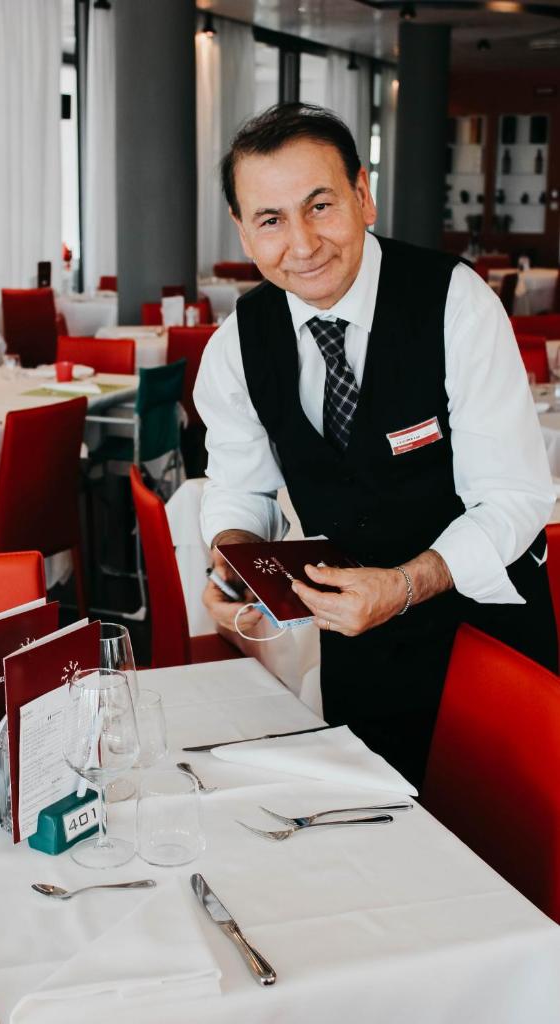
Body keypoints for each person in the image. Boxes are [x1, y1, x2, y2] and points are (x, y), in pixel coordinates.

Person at [193, 102, 557, 787]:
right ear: (243, 231)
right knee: (377, 835)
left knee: (504, 848)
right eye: (270, 220)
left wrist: (401, 586)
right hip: (354, 648)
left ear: (363, 196)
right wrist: (235, 559)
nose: (301, 244)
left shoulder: (454, 303)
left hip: (485, 644)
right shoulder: (236, 344)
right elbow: (239, 487)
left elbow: (514, 497)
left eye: (319, 206)